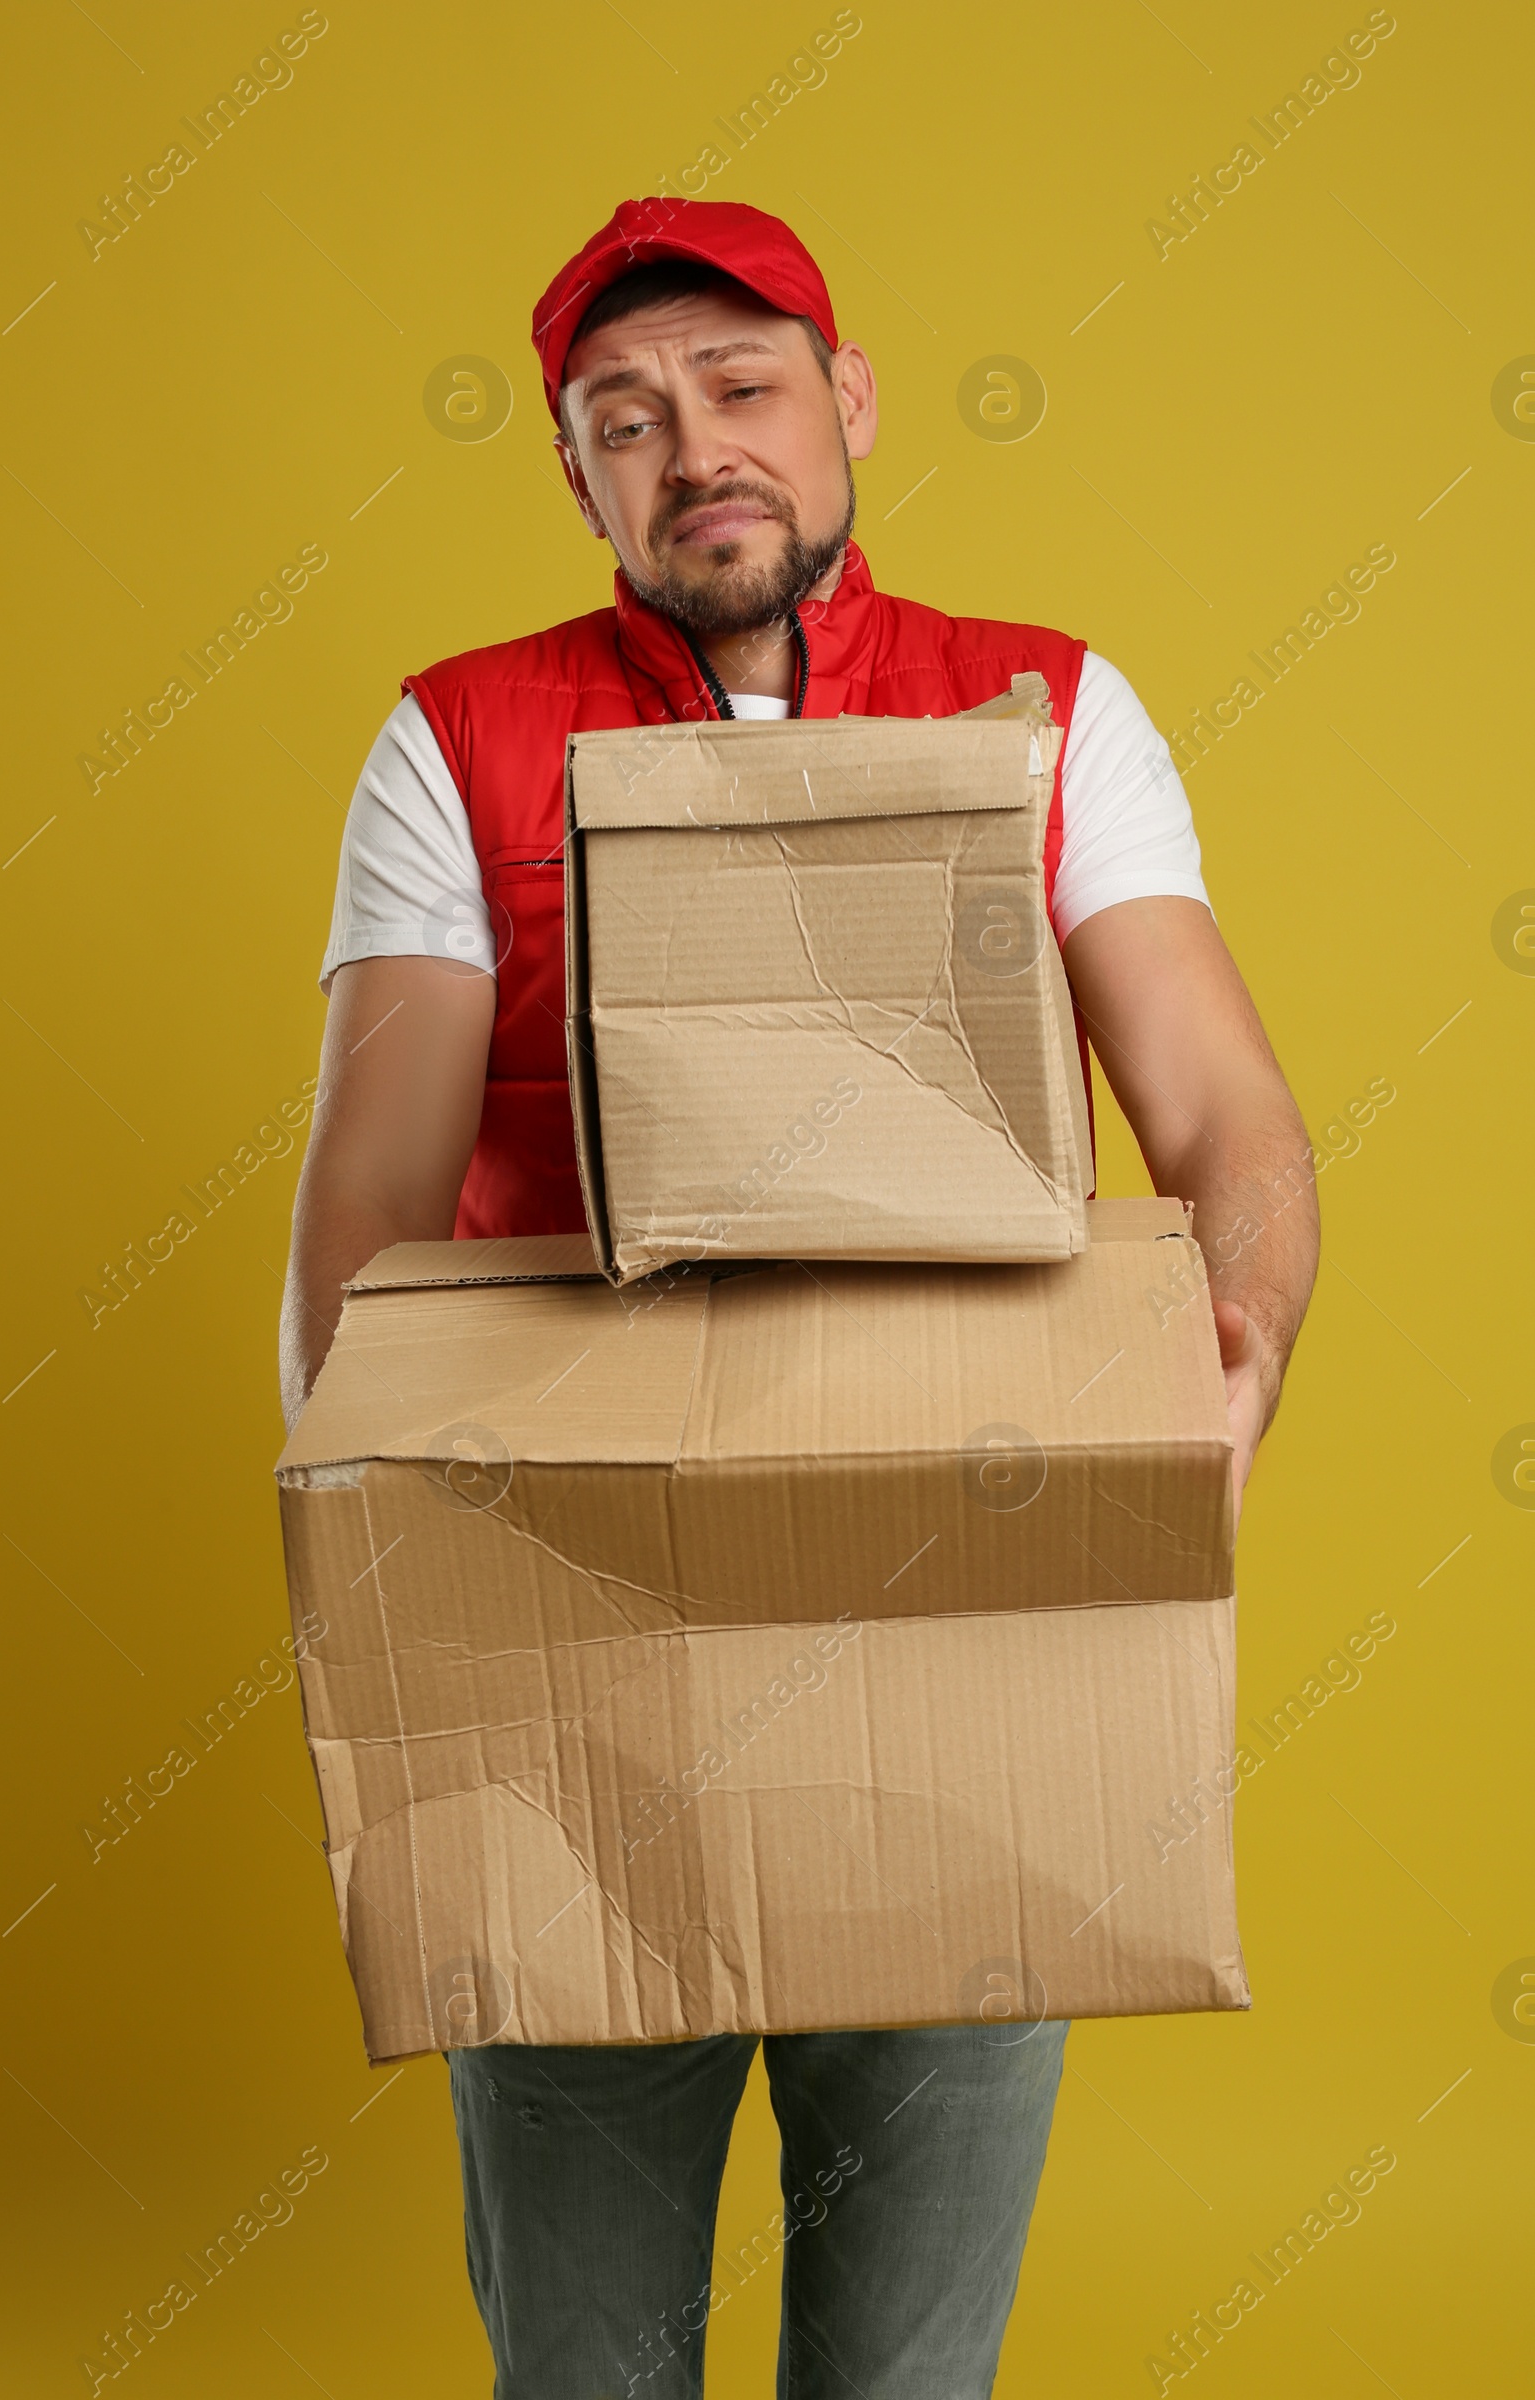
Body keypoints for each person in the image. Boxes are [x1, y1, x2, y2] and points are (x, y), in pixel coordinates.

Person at [281, 197, 1319, 2400]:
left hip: (960, 1615)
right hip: (574, 1663)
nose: (694, 452)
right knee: (581, 2367)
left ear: (842, 405)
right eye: (624, 421)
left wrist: (1225, 1374)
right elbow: (363, 1242)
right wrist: (395, 1606)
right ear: (575, 477)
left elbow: (1227, 1124)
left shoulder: (1044, 707)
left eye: (740, 391)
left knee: (903, 2380)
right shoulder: (459, 742)